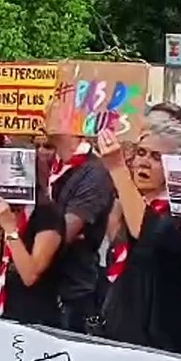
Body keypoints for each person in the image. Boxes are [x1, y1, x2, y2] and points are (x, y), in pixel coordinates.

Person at [99, 122, 181, 355]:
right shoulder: (132, 204)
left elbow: (147, 232)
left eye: (156, 157)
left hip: (160, 345)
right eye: (141, 153)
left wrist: (117, 168)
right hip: (117, 334)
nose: (143, 162)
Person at [43, 123, 115, 334]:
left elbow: (64, 233)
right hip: (40, 290)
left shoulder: (95, 172)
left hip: (72, 293)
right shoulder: (50, 162)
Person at [0, 159, 64, 327]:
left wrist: (10, 230)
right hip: (2, 313)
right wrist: (0, 264)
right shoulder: (10, 211)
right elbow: (17, 261)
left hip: (35, 318)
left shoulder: (48, 215)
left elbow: (30, 275)